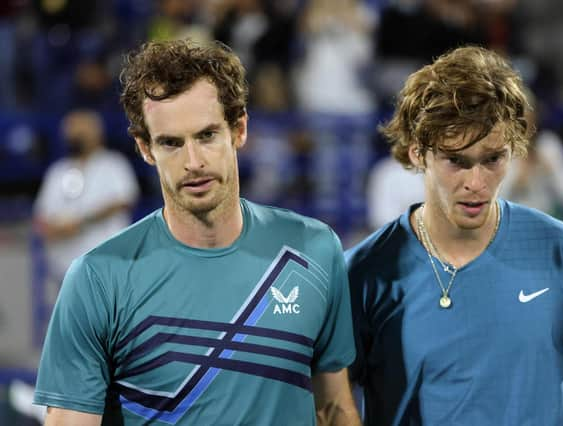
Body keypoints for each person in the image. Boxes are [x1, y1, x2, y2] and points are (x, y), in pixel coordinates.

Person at [33, 40, 360, 425]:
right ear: (145, 148)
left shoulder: (315, 249)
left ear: (239, 130)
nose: (193, 162)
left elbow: (334, 408)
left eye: (206, 135)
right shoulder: (97, 279)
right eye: (171, 143)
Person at [345, 46, 563, 426]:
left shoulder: (561, 250)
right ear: (418, 153)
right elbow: (333, 406)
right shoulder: (364, 271)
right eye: (456, 161)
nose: (476, 183)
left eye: (493, 159)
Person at [33, 108, 140, 283]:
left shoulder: (113, 164)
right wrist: (50, 229)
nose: (74, 136)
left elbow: (122, 201)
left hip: (106, 266)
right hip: (64, 269)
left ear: (96, 133)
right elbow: (40, 214)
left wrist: (80, 223)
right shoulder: (57, 170)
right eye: (70, 131)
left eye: (80, 131)